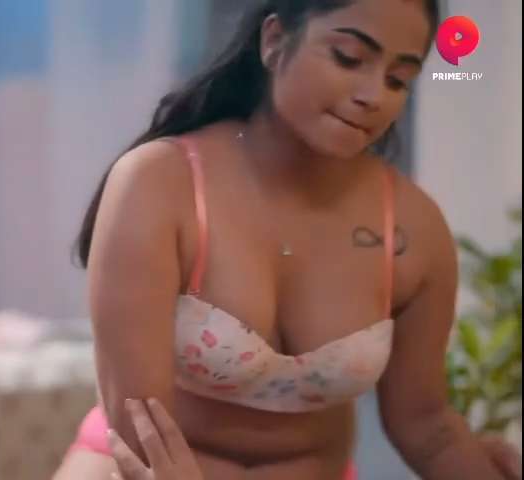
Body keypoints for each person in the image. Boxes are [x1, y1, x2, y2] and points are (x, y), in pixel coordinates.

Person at [53, 0, 522, 479]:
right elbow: (138, 428)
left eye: (398, 80)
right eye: (348, 58)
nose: (374, 95)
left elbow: (427, 426)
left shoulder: (412, 229)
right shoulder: (159, 183)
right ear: (275, 40)